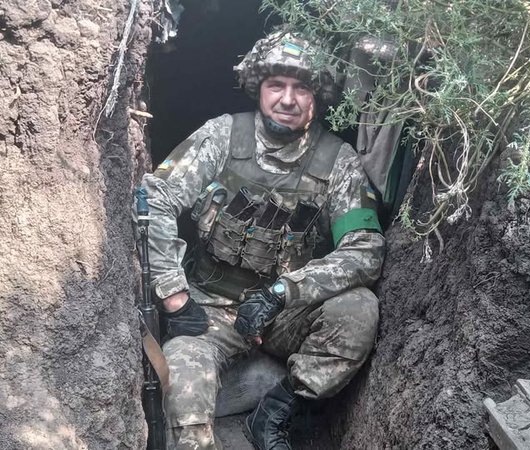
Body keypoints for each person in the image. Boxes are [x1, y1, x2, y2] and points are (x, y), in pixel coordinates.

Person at [138, 31, 386, 450]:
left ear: (318, 96)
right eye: (276, 85)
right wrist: (175, 296)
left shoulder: (338, 161)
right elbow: (154, 199)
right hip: (209, 308)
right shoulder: (223, 135)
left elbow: (365, 248)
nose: (287, 99)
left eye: (301, 88)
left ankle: (274, 413)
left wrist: (284, 291)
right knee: (182, 386)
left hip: (284, 312)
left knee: (359, 309)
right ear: (258, 87)